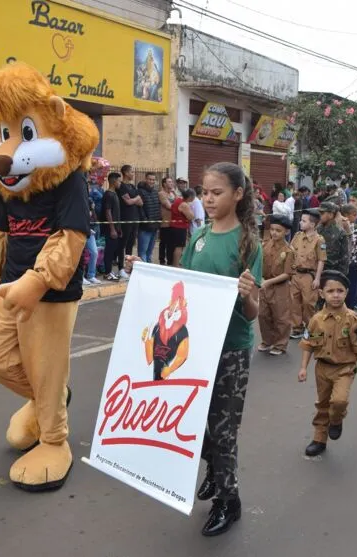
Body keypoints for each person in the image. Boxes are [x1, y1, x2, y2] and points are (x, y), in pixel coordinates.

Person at [128, 161, 262, 537]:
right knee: (184, 418)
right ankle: (216, 468)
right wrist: (143, 272)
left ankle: (228, 500)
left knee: (224, 430)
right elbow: (179, 285)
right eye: (205, 192)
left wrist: (248, 295)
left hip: (231, 350)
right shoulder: (199, 237)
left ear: (238, 194)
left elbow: (251, 315)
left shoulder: (248, 243)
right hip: (194, 345)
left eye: (217, 193)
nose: (209, 199)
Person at [298, 270, 357, 456]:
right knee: (322, 404)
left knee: (338, 401)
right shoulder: (316, 320)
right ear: (322, 293)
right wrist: (303, 368)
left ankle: (336, 420)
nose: (336, 295)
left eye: (340, 291)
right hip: (322, 368)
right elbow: (308, 345)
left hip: (344, 369)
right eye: (330, 291)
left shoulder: (353, 320)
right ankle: (319, 438)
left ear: (346, 292)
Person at [257, 214, 294, 356]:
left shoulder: (289, 251)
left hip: (280, 287)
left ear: (286, 232)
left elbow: (287, 274)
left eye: (278, 230)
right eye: (272, 229)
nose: (274, 233)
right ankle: (267, 340)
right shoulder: (265, 245)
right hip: (264, 285)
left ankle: (280, 344)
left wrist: (268, 282)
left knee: (281, 317)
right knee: (263, 315)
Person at [289, 210, 326, 339]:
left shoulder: (319, 240)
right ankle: (297, 327)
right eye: (301, 220)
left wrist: (317, 278)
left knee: (309, 303)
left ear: (313, 224)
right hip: (295, 274)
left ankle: (312, 328)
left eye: (304, 221)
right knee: (294, 302)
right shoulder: (298, 236)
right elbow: (290, 252)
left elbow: (321, 260)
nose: (300, 222)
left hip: (309, 276)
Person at [340, 204, 357, 311]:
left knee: (353, 287)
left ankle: (350, 308)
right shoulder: (338, 228)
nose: (356, 217)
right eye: (354, 215)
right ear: (345, 216)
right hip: (341, 264)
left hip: (353, 264)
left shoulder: (356, 229)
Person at [118, 164, 142, 262]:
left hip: (135, 218)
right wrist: (136, 198)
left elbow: (141, 203)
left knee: (131, 242)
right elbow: (128, 202)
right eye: (131, 172)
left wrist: (134, 199)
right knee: (124, 241)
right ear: (126, 173)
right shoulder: (122, 186)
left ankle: (129, 261)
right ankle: (120, 263)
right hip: (126, 218)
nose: (133, 174)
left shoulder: (132, 186)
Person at [317, 201, 348, 276]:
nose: (319, 215)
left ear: (331, 215)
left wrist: (342, 276)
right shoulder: (317, 229)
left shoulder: (340, 232)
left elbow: (344, 257)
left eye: (322, 213)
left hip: (333, 272)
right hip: (317, 270)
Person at [136, 173, 161, 263]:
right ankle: (142, 271)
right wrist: (145, 221)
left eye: (153, 180)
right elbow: (140, 209)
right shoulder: (140, 191)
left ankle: (148, 270)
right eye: (150, 179)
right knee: (142, 252)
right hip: (145, 227)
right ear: (146, 179)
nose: (151, 181)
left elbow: (157, 208)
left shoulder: (155, 192)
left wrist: (158, 222)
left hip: (154, 226)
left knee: (150, 252)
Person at [102, 172, 123, 281]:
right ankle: (107, 273)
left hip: (117, 228)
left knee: (114, 250)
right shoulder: (108, 194)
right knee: (109, 251)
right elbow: (108, 212)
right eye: (119, 181)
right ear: (114, 182)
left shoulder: (114, 194)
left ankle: (110, 271)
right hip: (111, 229)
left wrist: (119, 229)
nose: (120, 183)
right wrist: (112, 229)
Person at [168, 189, 195, 267]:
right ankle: (176, 265)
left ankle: (173, 263)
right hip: (180, 227)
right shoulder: (184, 204)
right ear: (190, 197)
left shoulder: (178, 200)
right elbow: (191, 217)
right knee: (179, 247)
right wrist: (191, 210)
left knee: (175, 246)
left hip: (174, 226)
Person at [157, 177, 178, 265]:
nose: (171, 183)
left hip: (174, 222)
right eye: (169, 182)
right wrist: (177, 206)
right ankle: (162, 260)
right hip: (165, 222)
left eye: (171, 182)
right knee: (164, 242)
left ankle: (170, 260)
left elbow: (180, 202)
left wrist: (175, 193)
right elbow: (169, 206)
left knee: (172, 243)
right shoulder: (161, 193)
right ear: (164, 184)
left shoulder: (173, 193)